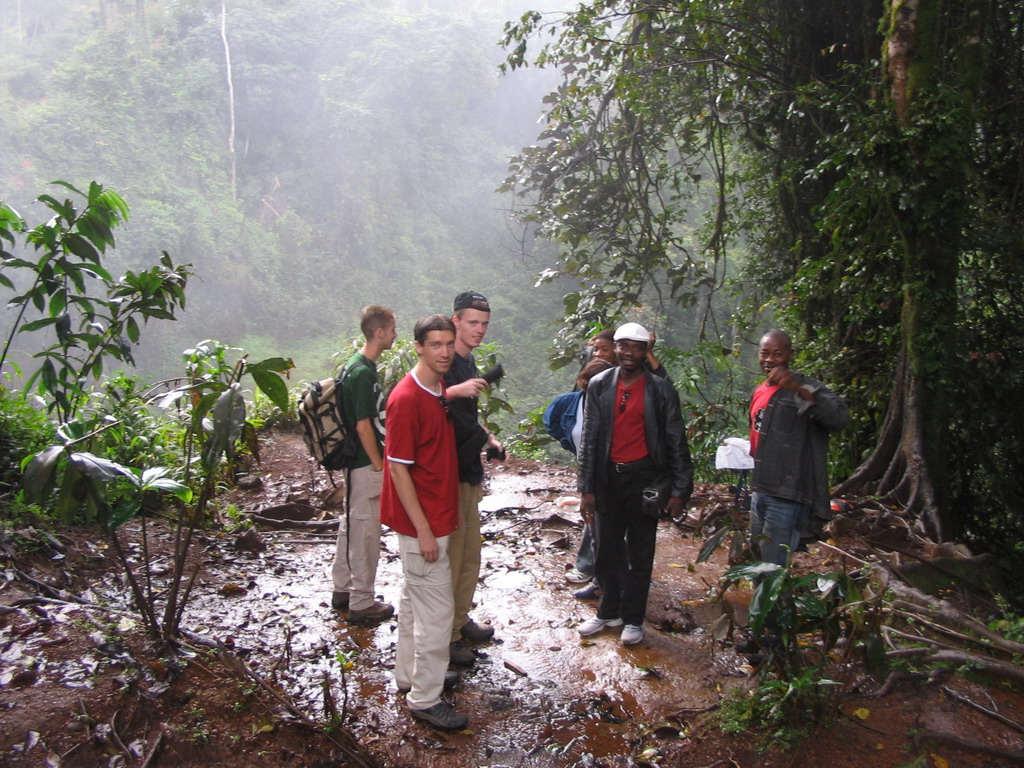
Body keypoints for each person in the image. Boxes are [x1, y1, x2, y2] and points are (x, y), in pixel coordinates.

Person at [576, 322, 693, 645]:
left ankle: (633, 619)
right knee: (607, 551)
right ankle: (606, 612)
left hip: (645, 480)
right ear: (615, 348)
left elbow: (675, 440)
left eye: (636, 347)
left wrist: (681, 490)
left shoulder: (660, 389)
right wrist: (586, 488)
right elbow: (589, 440)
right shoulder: (600, 384)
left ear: (645, 351)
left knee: (640, 553)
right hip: (608, 479)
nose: (628, 353)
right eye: (623, 346)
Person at [380, 314, 467, 731]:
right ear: (417, 347)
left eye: (449, 344)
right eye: (435, 344)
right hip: (422, 525)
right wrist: (425, 531)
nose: (445, 352)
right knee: (438, 611)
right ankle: (425, 698)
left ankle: (410, 677)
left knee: (416, 602)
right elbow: (397, 469)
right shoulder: (406, 398)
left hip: (437, 515)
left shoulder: (437, 388)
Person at [748, 330, 849, 566]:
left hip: (787, 494)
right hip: (760, 489)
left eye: (778, 354)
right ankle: (765, 603)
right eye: (765, 353)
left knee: (773, 567)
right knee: (757, 562)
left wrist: (798, 390)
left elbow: (839, 418)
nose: (770, 360)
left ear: (790, 355)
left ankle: (772, 604)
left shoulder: (807, 387)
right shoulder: (760, 391)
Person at [442, 291, 505, 667]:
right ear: (455, 322)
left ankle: (459, 620)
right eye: (472, 323)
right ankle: (444, 637)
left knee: (469, 555)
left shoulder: (468, 362)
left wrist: (488, 437)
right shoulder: (445, 361)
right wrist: (451, 391)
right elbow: (415, 399)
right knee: (450, 557)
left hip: (468, 468)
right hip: (446, 472)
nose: (479, 329)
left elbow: (465, 411)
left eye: (484, 324)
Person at [330, 305, 398, 624]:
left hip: (354, 462)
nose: (396, 334)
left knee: (351, 525)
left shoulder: (354, 366)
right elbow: (362, 425)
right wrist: (379, 465)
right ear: (379, 332)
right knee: (366, 533)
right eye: (393, 329)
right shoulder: (362, 372)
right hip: (362, 462)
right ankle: (362, 602)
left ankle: (342, 589)